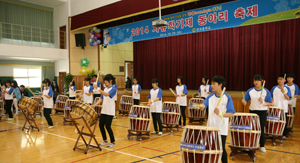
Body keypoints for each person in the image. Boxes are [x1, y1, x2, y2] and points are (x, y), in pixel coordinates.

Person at [200, 75, 235, 163]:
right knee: (210, 148)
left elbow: (231, 114)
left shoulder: (227, 98)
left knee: (221, 149)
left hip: (221, 128)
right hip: (210, 127)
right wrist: (202, 106)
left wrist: (221, 113)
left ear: (220, 85)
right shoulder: (210, 97)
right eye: (211, 83)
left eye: (213, 84)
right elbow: (204, 105)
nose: (211, 85)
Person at [242, 74, 273, 153]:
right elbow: (245, 100)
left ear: (262, 81)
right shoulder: (250, 91)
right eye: (254, 80)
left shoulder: (266, 91)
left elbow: (270, 103)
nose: (256, 82)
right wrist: (244, 101)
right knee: (251, 129)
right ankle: (251, 144)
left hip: (262, 112)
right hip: (252, 112)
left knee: (261, 129)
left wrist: (263, 102)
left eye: (258, 80)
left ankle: (262, 145)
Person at [91, 74, 117, 148]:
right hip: (104, 110)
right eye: (104, 81)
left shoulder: (113, 88)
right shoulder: (105, 89)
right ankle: (105, 140)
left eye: (106, 81)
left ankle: (113, 141)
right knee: (101, 125)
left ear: (110, 81)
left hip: (110, 110)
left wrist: (99, 89)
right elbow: (101, 98)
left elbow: (106, 95)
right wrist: (95, 105)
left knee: (108, 126)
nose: (105, 83)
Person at [271, 74, 292, 140]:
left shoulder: (287, 88)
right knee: (274, 122)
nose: (279, 80)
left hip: (283, 108)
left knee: (283, 122)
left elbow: (288, 98)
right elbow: (271, 97)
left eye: (281, 79)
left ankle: (283, 134)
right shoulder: (274, 88)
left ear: (284, 80)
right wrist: (272, 103)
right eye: (278, 79)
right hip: (275, 108)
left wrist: (284, 93)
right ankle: (274, 134)